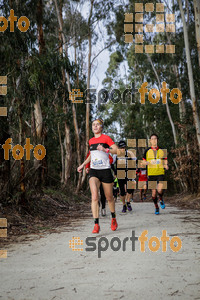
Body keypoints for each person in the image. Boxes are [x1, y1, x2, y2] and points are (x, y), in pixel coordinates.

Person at [77, 118, 118, 233]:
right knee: (94, 196)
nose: (95, 126)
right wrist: (83, 165)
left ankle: (113, 218)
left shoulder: (106, 138)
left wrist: (105, 149)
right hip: (94, 171)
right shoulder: (90, 141)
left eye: (97, 125)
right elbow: (91, 154)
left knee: (109, 197)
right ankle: (96, 224)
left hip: (105, 170)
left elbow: (116, 150)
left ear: (101, 127)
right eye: (93, 125)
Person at [142, 133, 168, 215]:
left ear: (157, 140)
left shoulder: (162, 151)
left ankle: (160, 198)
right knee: (153, 193)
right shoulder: (147, 151)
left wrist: (166, 165)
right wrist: (145, 163)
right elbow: (143, 161)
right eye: (152, 139)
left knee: (160, 190)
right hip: (151, 174)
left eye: (155, 138)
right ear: (150, 141)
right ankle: (156, 207)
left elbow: (165, 160)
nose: (154, 140)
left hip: (160, 173)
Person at [85, 152, 114, 217]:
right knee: (95, 194)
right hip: (94, 173)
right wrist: (87, 167)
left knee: (103, 193)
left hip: (104, 173)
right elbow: (88, 159)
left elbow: (111, 159)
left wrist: (104, 163)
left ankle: (103, 207)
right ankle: (96, 210)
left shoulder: (103, 150)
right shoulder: (91, 150)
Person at [117, 140, 136, 213]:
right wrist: (115, 172)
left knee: (129, 190)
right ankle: (124, 205)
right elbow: (112, 163)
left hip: (129, 173)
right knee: (122, 191)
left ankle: (128, 201)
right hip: (120, 173)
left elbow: (135, 162)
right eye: (121, 147)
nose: (122, 149)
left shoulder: (130, 153)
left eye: (124, 147)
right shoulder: (116, 155)